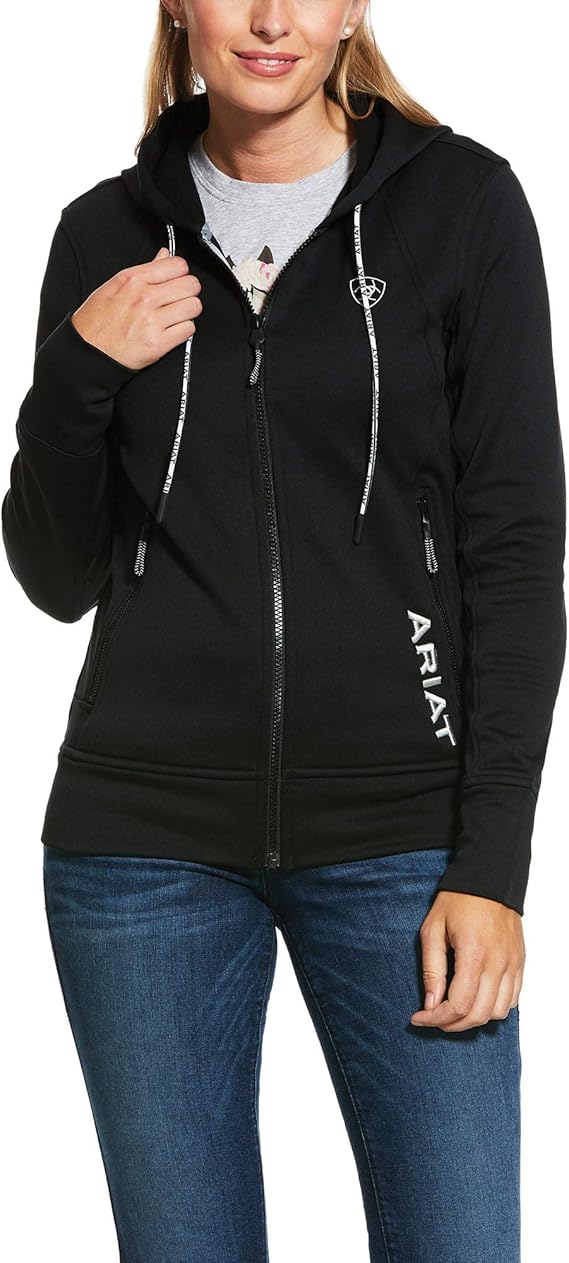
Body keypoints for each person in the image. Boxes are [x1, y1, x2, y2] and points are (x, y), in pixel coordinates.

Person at [2, 2, 566, 1259]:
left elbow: (518, 558)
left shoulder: (460, 207)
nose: (269, 19)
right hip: (139, 848)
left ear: (353, 6)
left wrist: (489, 868)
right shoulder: (104, 233)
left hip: (403, 841)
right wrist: (79, 370)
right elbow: (54, 574)